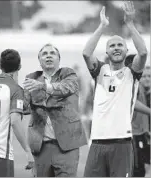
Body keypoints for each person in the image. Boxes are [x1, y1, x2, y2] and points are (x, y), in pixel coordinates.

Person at [82, 1, 147, 177]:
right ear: (107, 51)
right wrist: (102, 26)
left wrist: (130, 24)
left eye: (120, 45)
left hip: (122, 144)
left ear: (126, 50)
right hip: (97, 143)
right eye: (112, 45)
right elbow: (86, 53)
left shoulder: (132, 73)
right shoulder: (99, 70)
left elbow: (143, 53)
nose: (116, 48)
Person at [23, 43, 87, 177]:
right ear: (39, 61)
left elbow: (65, 88)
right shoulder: (31, 78)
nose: (48, 56)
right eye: (44, 54)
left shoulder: (68, 74)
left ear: (59, 59)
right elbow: (24, 106)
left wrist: (42, 86)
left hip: (67, 145)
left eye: (52, 53)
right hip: (40, 146)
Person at [0, 49, 34, 177]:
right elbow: (14, 121)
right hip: (0, 152)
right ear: (19, 67)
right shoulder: (15, 89)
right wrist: (28, 150)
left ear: (0, 66)